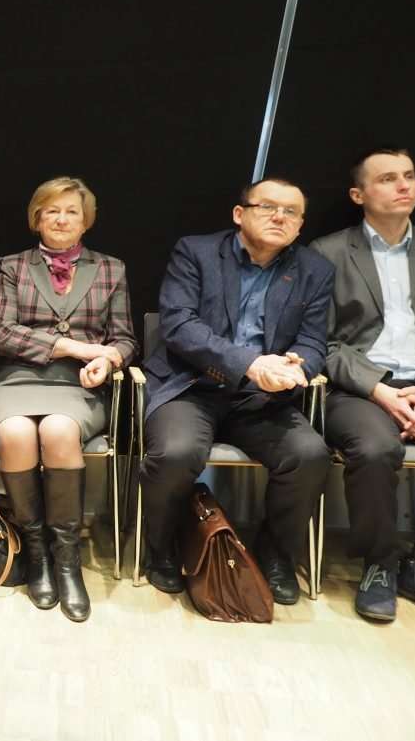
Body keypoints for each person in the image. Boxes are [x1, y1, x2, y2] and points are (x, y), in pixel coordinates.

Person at [138, 177, 333, 606]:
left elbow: (314, 342)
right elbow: (179, 325)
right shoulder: (197, 252)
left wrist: (296, 367)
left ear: (301, 225)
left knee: (309, 454)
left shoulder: (314, 270)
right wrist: (248, 364)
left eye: (291, 212)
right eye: (268, 207)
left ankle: (275, 555)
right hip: (192, 385)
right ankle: (163, 547)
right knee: (175, 453)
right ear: (239, 214)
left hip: (263, 399)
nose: (280, 217)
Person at [0, 177, 136, 622]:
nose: (62, 219)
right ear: (37, 218)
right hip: (16, 379)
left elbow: (125, 340)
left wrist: (106, 360)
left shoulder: (111, 269)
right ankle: (36, 553)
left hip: (79, 386)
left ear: (86, 221)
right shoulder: (13, 266)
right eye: (52, 211)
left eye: (72, 212)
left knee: (58, 429)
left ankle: (66, 560)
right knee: (15, 432)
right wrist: (74, 347)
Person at [311, 147, 415, 622]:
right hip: (358, 388)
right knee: (375, 449)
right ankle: (379, 565)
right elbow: (319, 343)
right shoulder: (326, 253)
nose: (404, 185)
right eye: (387, 178)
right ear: (357, 194)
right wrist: (380, 389)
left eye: (409, 175)